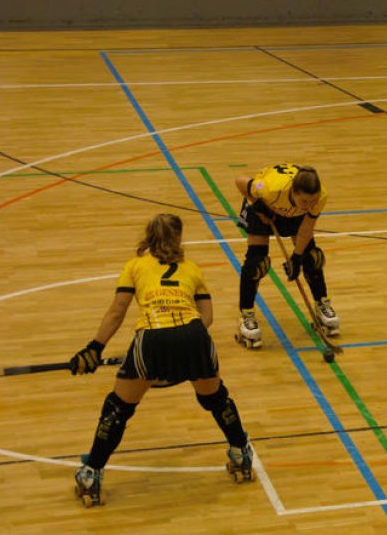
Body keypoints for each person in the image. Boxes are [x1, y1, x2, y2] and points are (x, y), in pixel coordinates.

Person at [68, 214, 255, 507]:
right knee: (216, 399)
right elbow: (207, 317)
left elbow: (117, 311)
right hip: (195, 336)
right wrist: (183, 346)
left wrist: (94, 348)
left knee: (118, 408)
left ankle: (92, 473)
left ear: (149, 236)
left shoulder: (135, 265)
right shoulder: (192, 268)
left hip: (152, 337)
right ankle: (241, 453)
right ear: (178, 237)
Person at [233, 164, 339, 349]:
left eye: (312, 201)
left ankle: (321, 303)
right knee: (256, 264)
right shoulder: (268, 189)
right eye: (305, 201)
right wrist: (259, 205)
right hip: (263, 209)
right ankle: (246, 315)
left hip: (294, 213)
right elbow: (240, 182)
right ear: (294, 192)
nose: (309, 205)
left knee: (312, 257)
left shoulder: (319, 196)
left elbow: (306, 228)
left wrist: (296, 258)